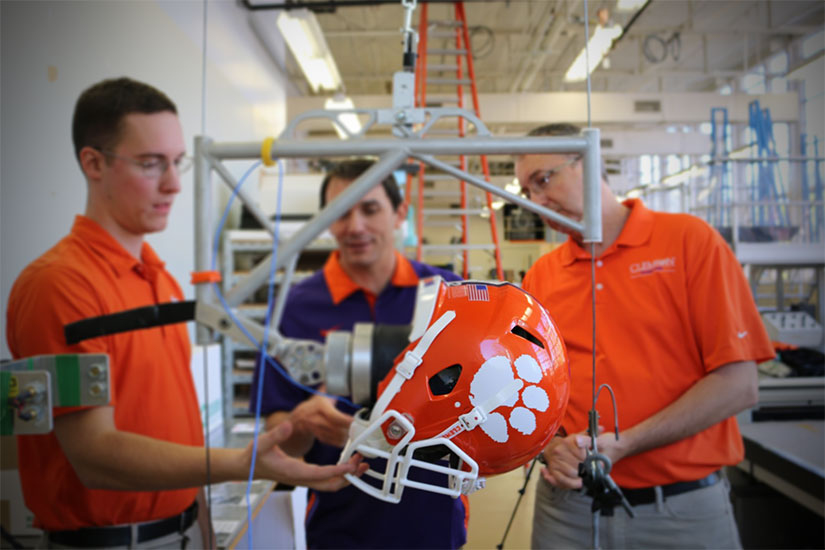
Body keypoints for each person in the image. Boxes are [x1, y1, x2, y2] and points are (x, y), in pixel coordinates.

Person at [5, 77, 363, 549]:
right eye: (152, 164)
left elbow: (176, 427)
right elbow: (94, 454)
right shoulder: (61, 285)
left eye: (178, 162)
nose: (174, 184)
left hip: (183, 532)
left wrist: (203, 530)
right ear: (93, 162)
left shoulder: (158, 279)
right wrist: (241, 463)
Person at [516, 123, 774, 549]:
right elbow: (528, 390)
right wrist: (551, 448)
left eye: (544, 180)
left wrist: (626, 444)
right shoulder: (543, 275)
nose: (536, 201)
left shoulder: (690, 243)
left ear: (590, 162)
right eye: (528, 191)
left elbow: (738, 386)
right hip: (568, 511)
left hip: (680, 514)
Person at [249, 159, 468, 549]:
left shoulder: (449, 297)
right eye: (340, 212)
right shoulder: (294, 307)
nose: (355, 227)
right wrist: (302, 423)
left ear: (400, 213)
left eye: (369, 209)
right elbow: (278, 437)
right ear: (324, 219)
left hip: (433, 520)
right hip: (338, 527)